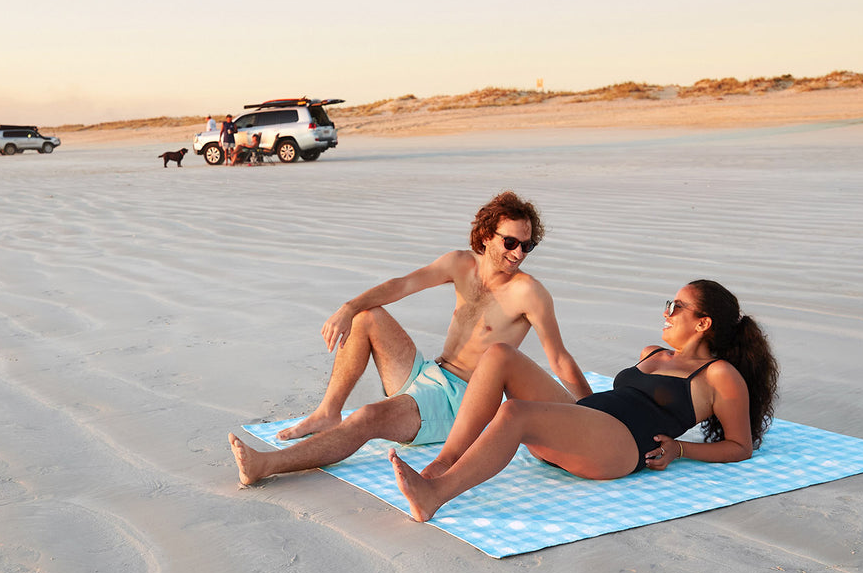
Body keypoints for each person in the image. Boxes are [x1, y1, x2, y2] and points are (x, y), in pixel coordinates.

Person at [228, 191, 592, 485]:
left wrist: (597, 411)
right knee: (367, 316)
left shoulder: (529, 293)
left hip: (460, 400)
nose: (518, 254)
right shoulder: (460, 264)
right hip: (427, 373)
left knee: (369, 416)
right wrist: (349, 306)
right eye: (511, 242)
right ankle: (328, 412)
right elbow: (402, 285)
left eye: (527, 246)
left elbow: (559, 358)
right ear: (486, 236)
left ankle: (265, 465)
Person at [389, 279, 780, 522]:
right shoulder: (653, 352)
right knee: (499, 355)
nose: (666, 312)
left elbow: (740, 446)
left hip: (621, 447)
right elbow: (617, 396)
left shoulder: (719, 375)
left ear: (703, 323)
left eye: (675, 307)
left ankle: (434, 496)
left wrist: (680, 450)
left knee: (514, 413)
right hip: (590, 422)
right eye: (668, 303)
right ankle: (443, 462)